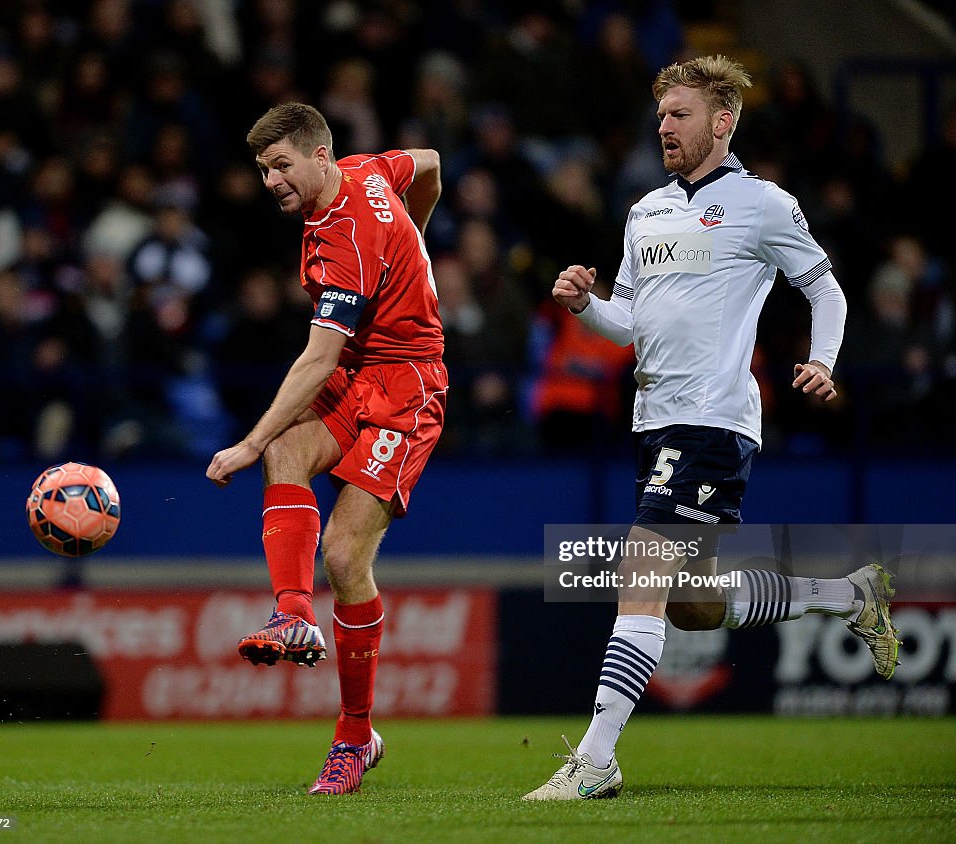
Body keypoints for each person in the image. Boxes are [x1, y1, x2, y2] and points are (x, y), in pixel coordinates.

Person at [523, 55, 900, 801]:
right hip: (654, 420)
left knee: (639, 573)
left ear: (722, 122)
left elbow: (824, 288)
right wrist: (583, 305)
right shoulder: (645, 212)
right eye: (661, 115)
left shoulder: (761, 204)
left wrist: (823, 360)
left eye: (681, 114)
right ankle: (851, 597)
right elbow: (625, 324)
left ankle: (596, 760)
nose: (664, 126)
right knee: (692, 605)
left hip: (711, 420)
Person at [205, 103, 447, 795]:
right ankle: (293, 615)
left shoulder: (348, 237)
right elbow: (426, 164)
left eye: (281, 166)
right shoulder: (368, 171)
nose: (270, 181)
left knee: (342, 555)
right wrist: (417, 242)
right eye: (261, 170)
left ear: (318, 156)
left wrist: (245, 443)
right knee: (290, 448)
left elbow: (315, 361)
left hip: (406, 385)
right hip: (361, 373)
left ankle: (355, 736)